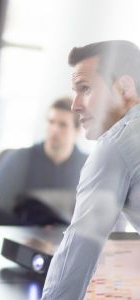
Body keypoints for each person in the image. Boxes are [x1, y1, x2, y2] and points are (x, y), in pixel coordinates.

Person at [42, 40, 140, 299]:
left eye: (85, 89)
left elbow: (78, 251)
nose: (75, 105)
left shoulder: (117, 143)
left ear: (124, 87)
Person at [0, 98, 87, 225]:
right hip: (21, 238)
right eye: (51, 122)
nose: (54, 129)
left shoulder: (88, 166)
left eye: (62, 125)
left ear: (78, 130)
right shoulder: (20, 159)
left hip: (66, 241)